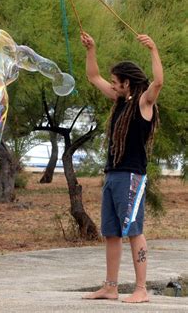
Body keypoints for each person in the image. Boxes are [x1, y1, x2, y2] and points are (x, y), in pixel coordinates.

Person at [80, 31, 163, 303]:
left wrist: (153, 50)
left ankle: (141, 289)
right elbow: (93, 77)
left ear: (127, 83)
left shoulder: (144, 102)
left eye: (116, 82)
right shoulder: (120, 101)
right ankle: (111, 287)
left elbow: (158, 82)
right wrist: (91, 49)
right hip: (113, 175)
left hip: (131, 177)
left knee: (134, 231)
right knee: (112, 233)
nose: (112, 86)